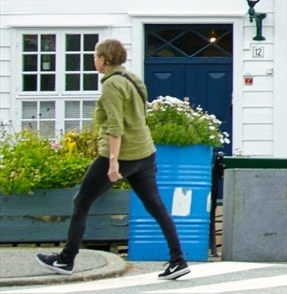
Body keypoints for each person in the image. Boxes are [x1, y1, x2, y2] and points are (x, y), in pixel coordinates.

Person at [35, 38, 189, 280]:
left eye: (95, 56)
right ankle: (178, 260)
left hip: (121, 154)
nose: (93, 59)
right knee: (156, 206)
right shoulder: (132, 79)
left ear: (104, 60)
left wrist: (114, 162)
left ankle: (66, 260)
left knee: (81, 202)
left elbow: (115, 126)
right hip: (145, 152)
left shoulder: (111, 86)